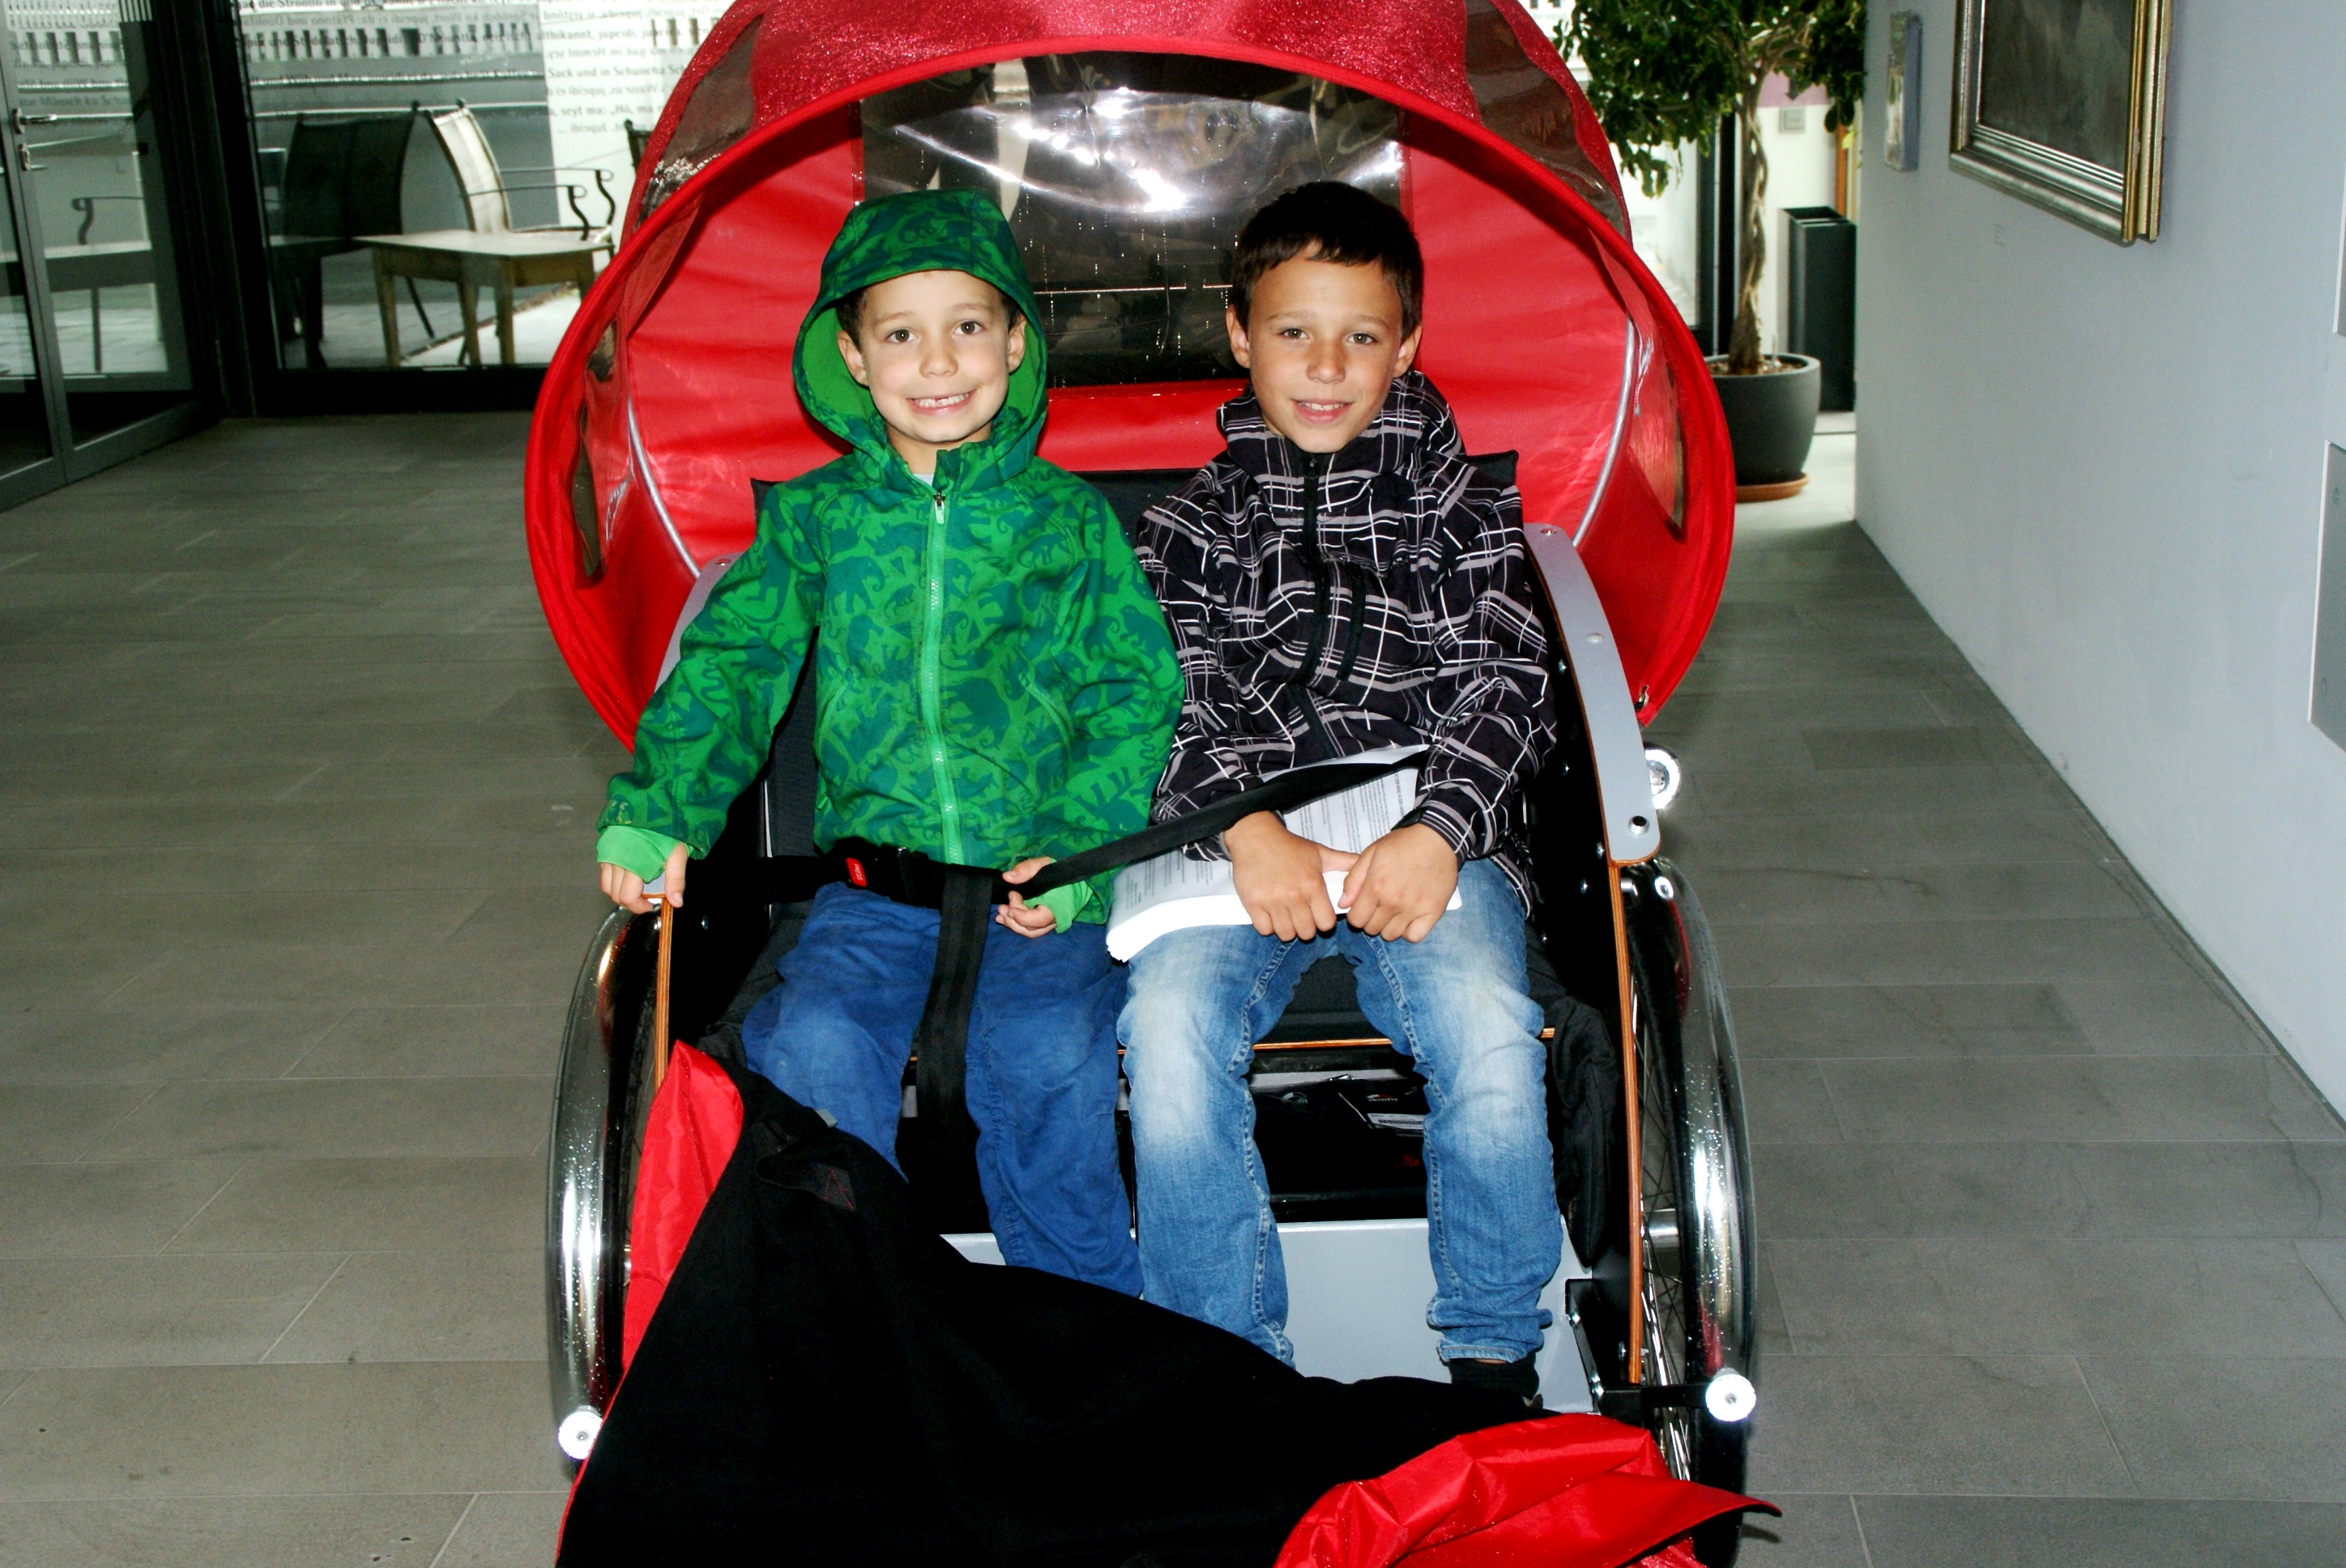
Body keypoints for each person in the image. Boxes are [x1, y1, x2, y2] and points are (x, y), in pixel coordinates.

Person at [595, 188, 1180, 1294]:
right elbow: (734, 663)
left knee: (1044, 1057)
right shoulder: (816, 520)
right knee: (811, 1048)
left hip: (1038, 884)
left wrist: (1080, 854)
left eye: (969, 325)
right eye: (901, 335)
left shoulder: (1068, 521)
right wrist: (662, 805)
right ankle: (859, 1323)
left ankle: (1082, 1328)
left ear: (1016, 341)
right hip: (875, 894)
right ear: (853, 358)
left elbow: (1132, 693)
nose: (939, 360)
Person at [1121, 182, 1561, 1400]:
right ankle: (1226, 1375)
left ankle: (1493, 1359)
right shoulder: (1187, 528)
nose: (1326, 367)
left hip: (1423, 826)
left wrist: (1442, 830)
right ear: (1239, 334)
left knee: (1486, 1030)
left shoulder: (1461, 508)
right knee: (1167, 1037)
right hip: (1243, 843)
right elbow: (1163, 702)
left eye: (1361, 336)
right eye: (1293, 332)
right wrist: (1247, 828)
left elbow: (1509, 680)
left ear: (1407, 344)